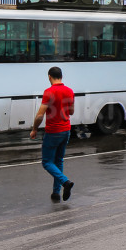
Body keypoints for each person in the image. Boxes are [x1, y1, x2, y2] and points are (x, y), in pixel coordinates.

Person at [30, 66, 75, 202]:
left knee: (47, 162)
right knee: (58, 161)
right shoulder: (69, 91)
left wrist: (34, 129)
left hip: (53, 131)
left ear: (50, 77)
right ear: (61, 76)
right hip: (66, 130)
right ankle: (56, 193)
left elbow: (40, 115)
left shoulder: (49, 92)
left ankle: (65, 182)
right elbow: (71, 112)